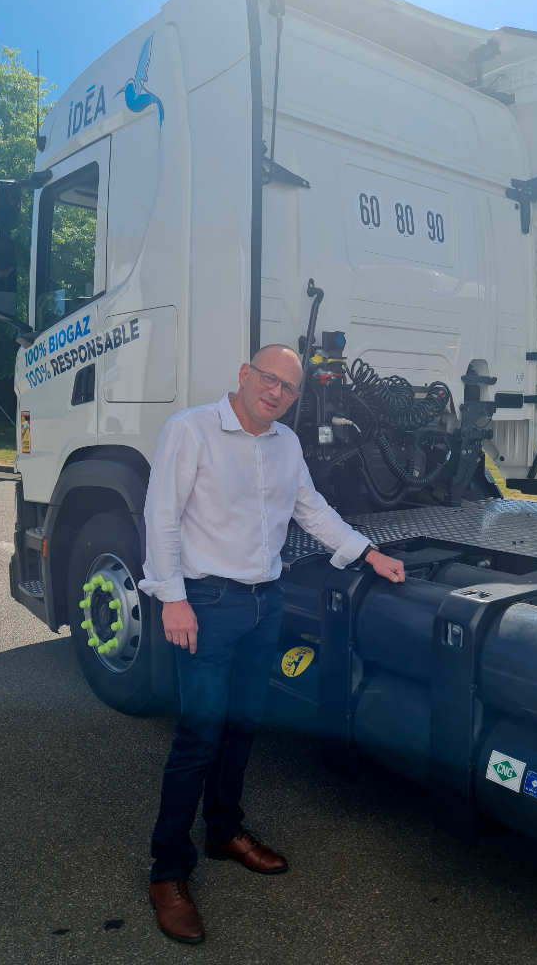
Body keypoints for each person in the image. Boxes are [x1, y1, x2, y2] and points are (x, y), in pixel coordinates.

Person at [139, 343, 405, 944]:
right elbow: (160, 516)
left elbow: (312, 510)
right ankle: (167, 870)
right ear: (243, 374)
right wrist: (172, 598)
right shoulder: (192, 431)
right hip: (206, 603)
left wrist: (368, 553)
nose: (276, 392)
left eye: (288, 388)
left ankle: (224, 830)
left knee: (242, 727)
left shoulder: (286, 445)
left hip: (264, 604)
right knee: (197, 737)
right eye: (268, 378)